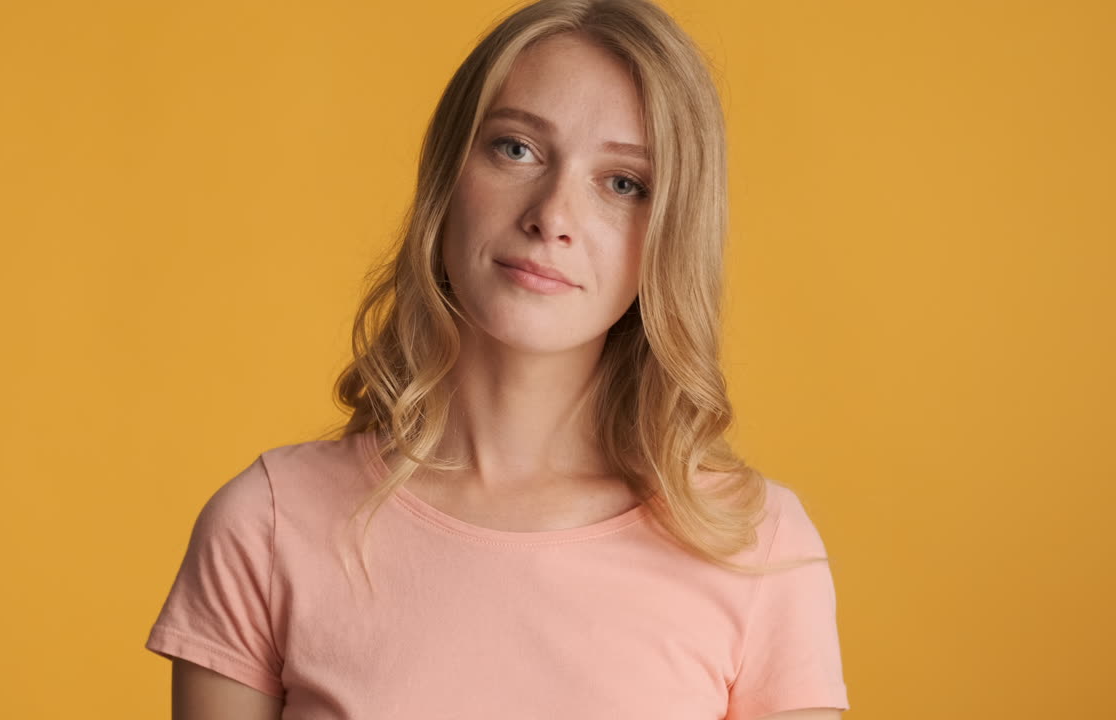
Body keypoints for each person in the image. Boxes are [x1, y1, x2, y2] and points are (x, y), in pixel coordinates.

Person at [144, 1, 850, 718]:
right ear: (447, 176)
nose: (552, 215)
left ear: (670, 235)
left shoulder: (756, 547)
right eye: (517, 148)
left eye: (623, 183)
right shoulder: (266, 525)